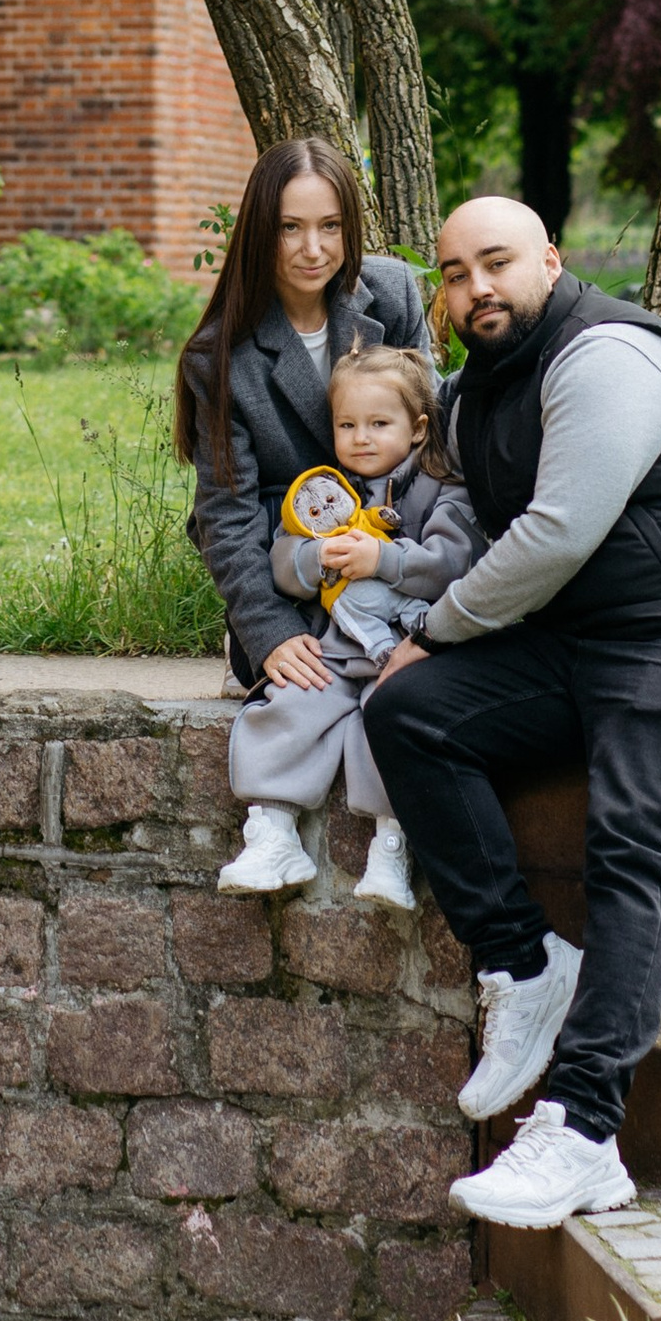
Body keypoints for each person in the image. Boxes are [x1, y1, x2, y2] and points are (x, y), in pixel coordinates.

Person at [362, 195, 661, 1236]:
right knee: (411, 715)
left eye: (496, 264)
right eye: (452, 273)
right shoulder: (477, 394)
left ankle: (581, 1133)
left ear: (549, 261)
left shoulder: (610, 353)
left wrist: (433, 627)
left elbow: (559, 533)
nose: (475, 288)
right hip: (590, 635)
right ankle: (525, 966)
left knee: (632, 836)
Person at [175, 135, 434, 724]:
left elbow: (433, 437)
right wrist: (268, 631)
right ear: (261, 230)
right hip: (285, 553)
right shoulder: (218, 356)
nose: (313, 249)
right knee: (308, 682)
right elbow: (225, 510)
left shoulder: (390, 295)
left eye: (331, 226)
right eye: (290, 228)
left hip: (394, 532)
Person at [219, 342, 481, 909]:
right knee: (291, 702)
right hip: (337, 649)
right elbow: (281, 561)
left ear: (415, 429)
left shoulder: (441, 486)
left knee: (389, 723)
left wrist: (383, 560)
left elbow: (453, 563)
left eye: (378, 424)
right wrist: (313, 561)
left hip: (408, 650)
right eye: (347, 424)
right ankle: (273, 830)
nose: (361, 438)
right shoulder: (324, 492)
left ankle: (392, 845)